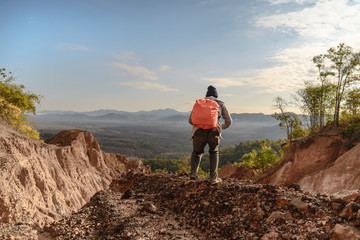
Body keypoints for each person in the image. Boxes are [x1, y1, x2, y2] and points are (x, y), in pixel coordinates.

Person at [187, 85, 232, 184]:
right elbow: (228, 122)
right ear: (216, 95)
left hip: (198, 132)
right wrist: (220, 127)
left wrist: (201, 125)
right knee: (214, 152)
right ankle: (213, 179)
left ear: (206, 95)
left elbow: (190, 120)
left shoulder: (199, 103)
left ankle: (192, 177)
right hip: (213, 133)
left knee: (196, 153)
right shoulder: (220, 104)